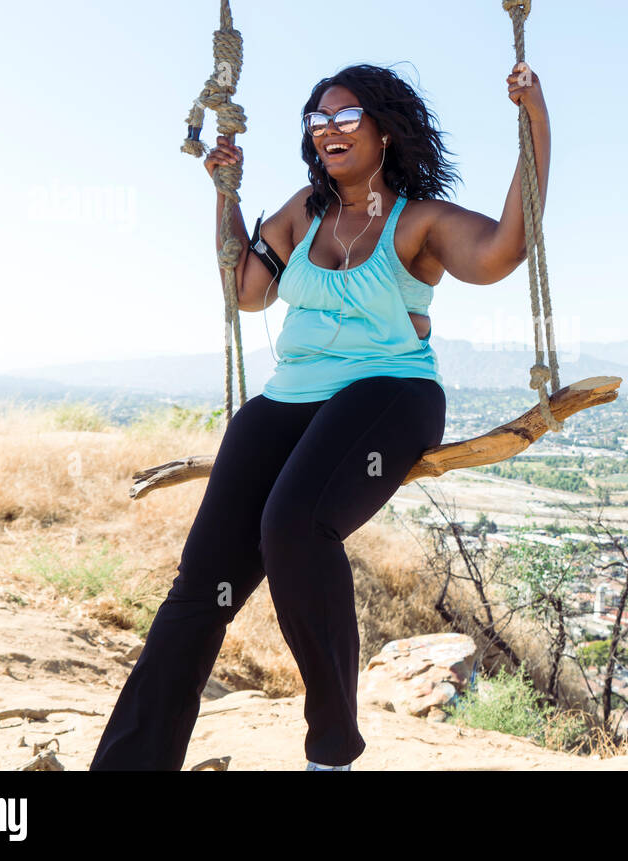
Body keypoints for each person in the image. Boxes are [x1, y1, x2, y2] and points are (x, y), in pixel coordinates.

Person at [89, 61, 550, 771]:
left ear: (385, 132)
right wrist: (226, 194)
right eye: (318, 120)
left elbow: (501, 252)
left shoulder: (416, 221)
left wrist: (534, 123)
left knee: (294, 522)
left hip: (388, 394)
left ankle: (331, 749)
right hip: (287, 400)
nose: (329, 131)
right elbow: (246, 291)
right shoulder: (301, 212)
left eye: (346, 117)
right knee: (199, 588)